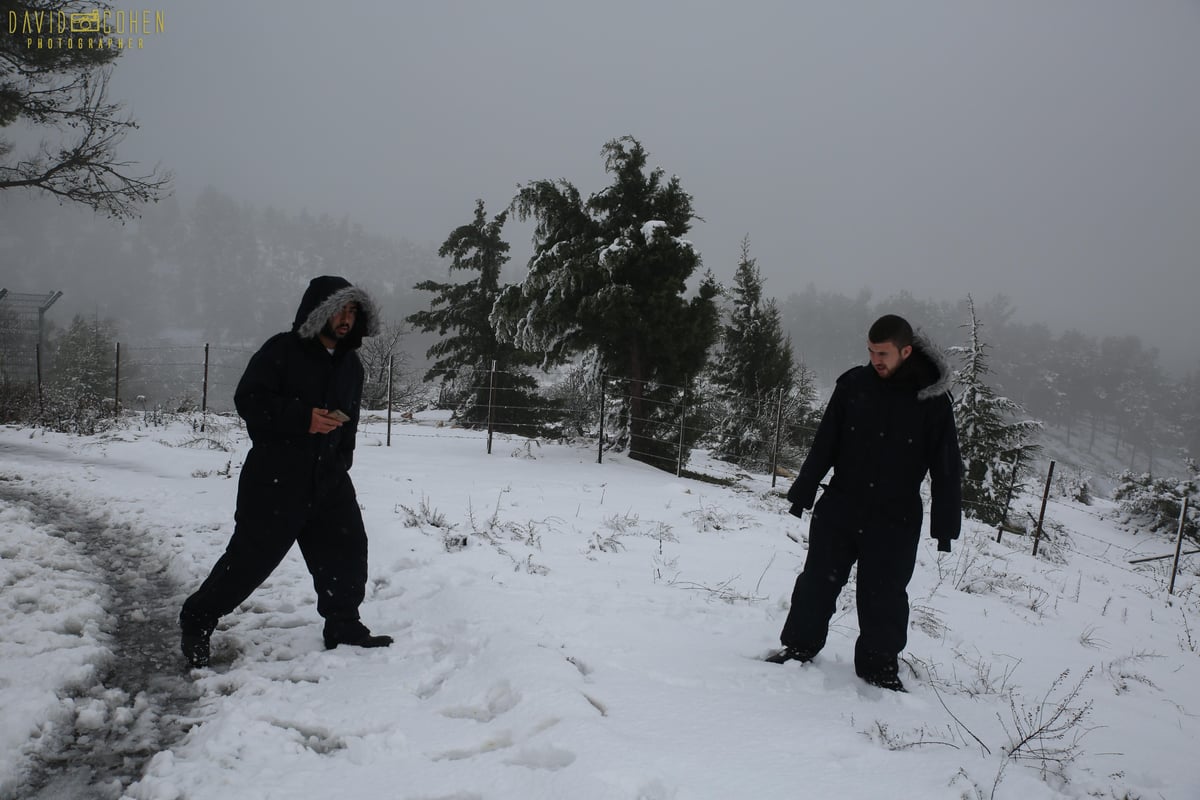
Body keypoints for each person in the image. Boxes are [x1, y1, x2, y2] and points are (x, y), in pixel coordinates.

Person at [179, 276, 393, 668]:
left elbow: (352, 420)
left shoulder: (351, 365)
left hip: (329, 478)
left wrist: (341, 460)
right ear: (319, 312)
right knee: (250, 560)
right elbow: (249, 399)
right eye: (339, 310)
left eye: (352, 312)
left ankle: (343, 624)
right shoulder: (281, 351)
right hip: (276, 478)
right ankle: (197, 619)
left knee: (346, 551)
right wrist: (302, 418)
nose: (345, 319)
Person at [766, 314, 962, 691]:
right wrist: (803, 491)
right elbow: (825, 443)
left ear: (906, 351)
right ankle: (798, 648)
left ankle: (878, 667)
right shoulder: (853, 385)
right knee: (816, 584)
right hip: (841, 505)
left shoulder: (932, 400)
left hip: (895, 517)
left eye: (884, 353)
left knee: (884, 596)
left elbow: (947, 467)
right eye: (871, 351)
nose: (876, 359)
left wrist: (945, 526)